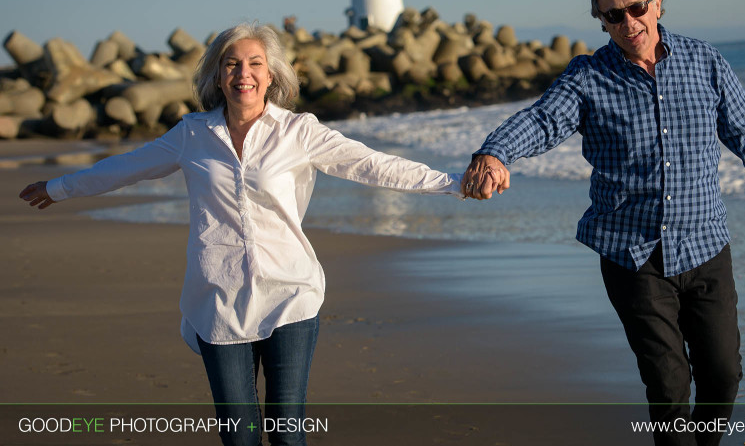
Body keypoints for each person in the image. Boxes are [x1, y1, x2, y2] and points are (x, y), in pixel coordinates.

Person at [19, 22, 464, 446]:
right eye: (232, 64)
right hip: (219, 298)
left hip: (290, 292)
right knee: (239, 435)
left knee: (287, 431)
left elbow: (372, 164)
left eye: (254, 63)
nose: (243, 73)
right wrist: (59, 188)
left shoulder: (298, 132)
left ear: (271, 76)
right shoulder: (192, 135)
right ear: (217, 74)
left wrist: (452, 183)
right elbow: (126, 167)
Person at [460, 0, 745, 446]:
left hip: (705, 247)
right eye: (613, 16)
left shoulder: (706, 62)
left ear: (658, 3)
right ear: (602, 22)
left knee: (723, 377)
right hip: (631, 255)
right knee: (667, 386)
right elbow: (542, 120)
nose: (629, 22)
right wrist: (494, 151)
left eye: (637, 8)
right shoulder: (588, 77)